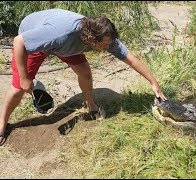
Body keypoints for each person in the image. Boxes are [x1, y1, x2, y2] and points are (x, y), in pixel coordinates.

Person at [0, 8, 167, 144]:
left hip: (64, 46)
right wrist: (24, 78)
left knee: (85, 74)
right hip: (33, 41)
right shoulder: (60, 34)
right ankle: (2, 126)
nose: (110, 47)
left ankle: (91, 105)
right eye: (106, 44)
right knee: (18, 89)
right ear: (91, 39)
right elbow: (19, 41)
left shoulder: (102, 34)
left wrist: (153, 82)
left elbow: (130, 58)